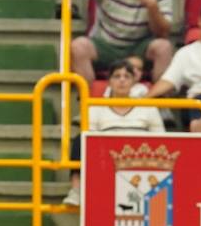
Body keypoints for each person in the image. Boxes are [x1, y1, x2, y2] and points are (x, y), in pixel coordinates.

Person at [51, 0, 173, 84]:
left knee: (164, 47)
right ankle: (89, 100)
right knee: (78, 46)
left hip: (139, 48)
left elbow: (163, 33)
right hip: (106, 45)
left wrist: (152, 6)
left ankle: (160, 101)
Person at [65, 57, 164, 205]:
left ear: (133, 81)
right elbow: (90, 142)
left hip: (141, 160)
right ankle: (76, 191)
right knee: (81, 139)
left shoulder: (148, 107)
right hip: (106, 159)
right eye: (117, 76)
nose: (122, 80)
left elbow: (161, 139)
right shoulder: (96, 107)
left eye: (127, 77)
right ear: (109, 81)